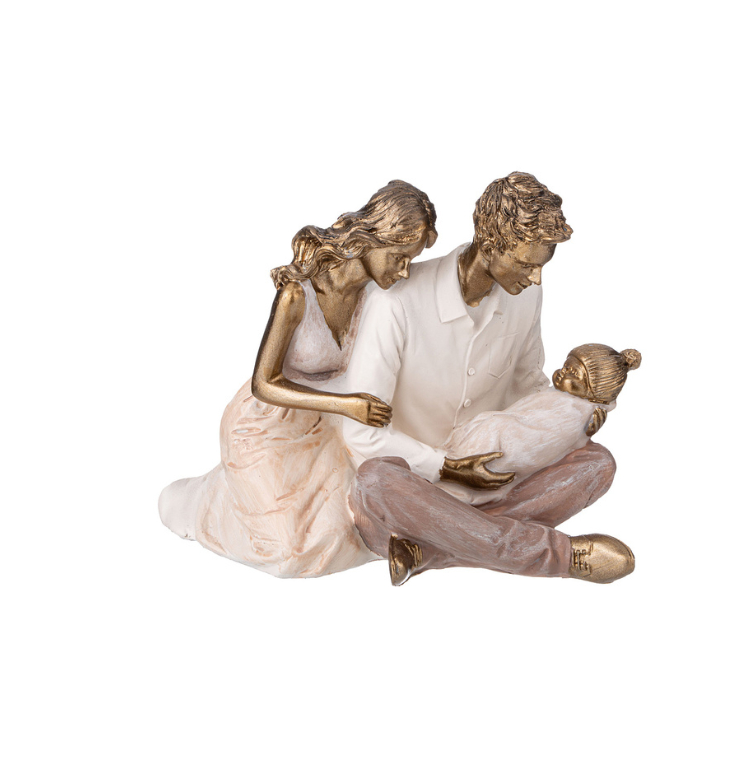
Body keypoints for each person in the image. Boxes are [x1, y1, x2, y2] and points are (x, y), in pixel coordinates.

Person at [342, 172, 635, 585]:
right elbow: (360, 434)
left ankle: (431, 550)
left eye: (541, 267)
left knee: (597, 464)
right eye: (527, 264)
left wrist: (573, 416)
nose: (535, 278)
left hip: (497, 481)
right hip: (411, 494)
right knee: (374, 480)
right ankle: (555, 556)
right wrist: (449, 469)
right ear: (491, 244)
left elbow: (527, 386)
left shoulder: (526, 295)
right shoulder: (394, 303)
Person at [159, 180, 437, 578]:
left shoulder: (377, 298)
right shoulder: (298, 294)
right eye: (400, 257)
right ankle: (200, 503)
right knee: (290, 551)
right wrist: (347, 404)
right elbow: (263, 384)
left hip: (325, 429)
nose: (404, 270)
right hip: (266, 426)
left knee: (339, 533)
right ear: (374, 239)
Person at [441, 343, 642, 504]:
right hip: (502, 431)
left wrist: (500, 427)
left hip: (510, 448)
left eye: (573, 373)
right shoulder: (562, 397)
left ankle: (459, 481)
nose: (563, 372)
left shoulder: (574, 414)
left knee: (494, 427)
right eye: (565, 366)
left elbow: (539, 441)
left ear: (593, 391)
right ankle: (450, 462)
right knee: (490, 423)